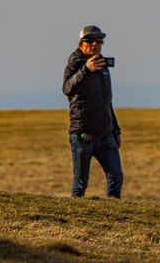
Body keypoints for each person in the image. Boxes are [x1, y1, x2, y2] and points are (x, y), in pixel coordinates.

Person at [62, 25, 123, 198]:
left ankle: (113, 210)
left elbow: (106, 101)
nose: (95, 44)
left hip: (106, 134)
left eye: (99, 41)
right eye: (89, 40)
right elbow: (67, 88)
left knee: (116, 176)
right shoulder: (75, 64)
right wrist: (86, 70)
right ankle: (75, 211)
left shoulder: (102, 64)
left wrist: (115, 131)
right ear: (80, 44)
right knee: (81, 181)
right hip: (83, 133)